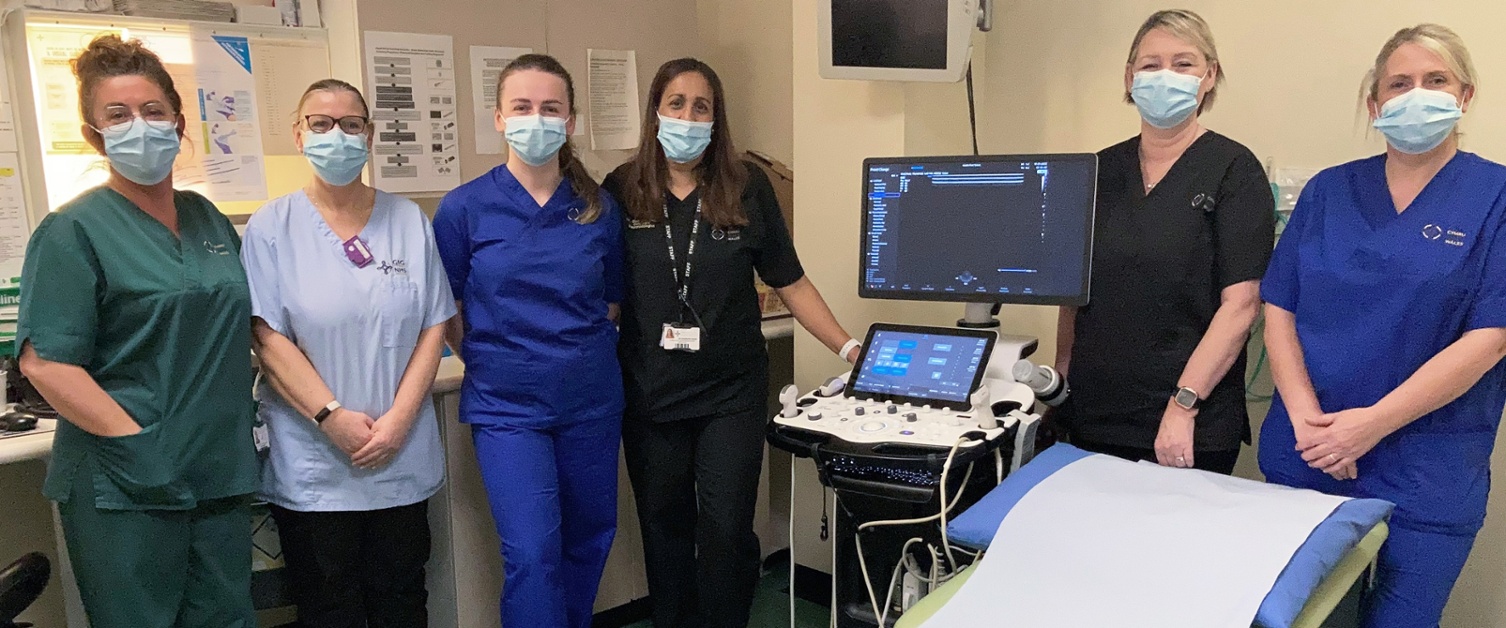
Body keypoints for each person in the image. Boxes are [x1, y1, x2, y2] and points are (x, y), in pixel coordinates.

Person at [1259, 24, 1506, 628]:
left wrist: (1368, 428)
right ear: (1375, 104)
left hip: (1427, 468)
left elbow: (1491, 337)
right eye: (1399, 84)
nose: (1415, 94)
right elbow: (1279, 311)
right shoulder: (1326, 192)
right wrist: (1310, 425)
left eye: (1435, 80)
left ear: (1465, 95)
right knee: (1295, 619)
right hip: (1308, 454)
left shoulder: (1496, 196)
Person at [603, 58, 861, 628]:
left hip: (731, 395)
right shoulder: (623, 190)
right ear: (655, 113)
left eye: (702, 107)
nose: (688, 117)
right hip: (651, 396)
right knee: (664, 531)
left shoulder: (747, 186)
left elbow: (790, 281)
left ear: (717, 119)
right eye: (677, 104)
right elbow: (605, 294)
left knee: (725, 532)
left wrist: (849, 349)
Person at [15, 34, 258, 626]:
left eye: (153, 112)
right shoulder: (73, 230)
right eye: (117, 115)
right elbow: (45, 363)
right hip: (124, 484)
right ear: (95, 134)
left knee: (227, 619)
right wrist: (137, 446)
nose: (140, 126)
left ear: (178, 123)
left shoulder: (208, 218)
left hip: (216, 472)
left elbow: (242, 325)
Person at [241, 79, 454, 627]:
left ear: (369, 134)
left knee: (403, 598)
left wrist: (400, 420)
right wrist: (331, 418)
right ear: (299, 134)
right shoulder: (271, 227)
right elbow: (266, 336)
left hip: (399, 449)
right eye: (320, 123)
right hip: (315, 458)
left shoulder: (408, 220)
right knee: (328, 605)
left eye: (351, 124)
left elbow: (435, 324)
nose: (337, 135)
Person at [432, 53, 624, 628]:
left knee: (590, 537)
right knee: (533, 553)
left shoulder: (598, 208)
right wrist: (492, 358)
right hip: (507, 407)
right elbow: (446, 309)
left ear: (570, 122)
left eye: (550, 108)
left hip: (590, 401)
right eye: (522, 107)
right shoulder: (463, 208)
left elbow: (611, 302)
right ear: (498, 117)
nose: (535, 118)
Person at [1053, 9, 1274, 475]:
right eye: (1150, 65)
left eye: (1183, 64)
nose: (1165, 76)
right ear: (1130, 77)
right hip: (1093, 414)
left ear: (1209, 76)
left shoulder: (1234, 170)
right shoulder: (1097, 170)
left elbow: (1242, 305)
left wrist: (1184, 405)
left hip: (1188, 422)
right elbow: (1071, 294)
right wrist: (1061, 380)